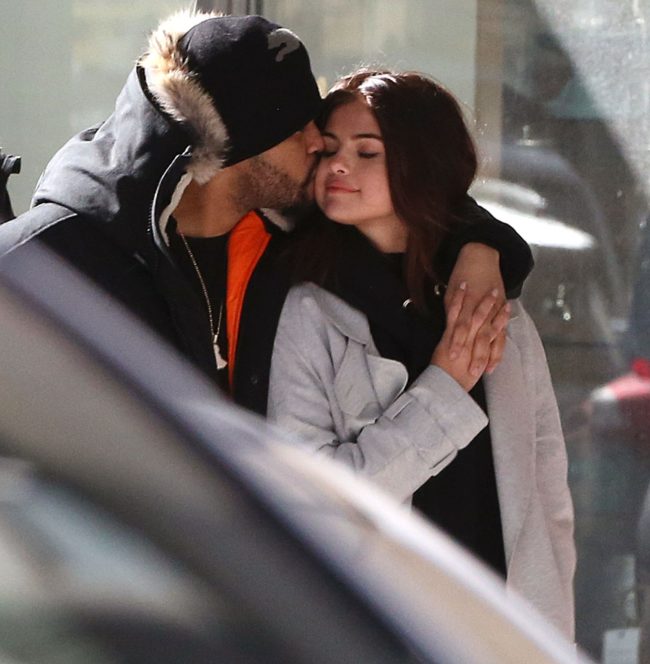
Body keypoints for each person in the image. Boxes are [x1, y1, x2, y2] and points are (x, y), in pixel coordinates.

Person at [0, 10, 532, 414]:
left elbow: (419, 198)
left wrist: (481, 246)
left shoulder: (286, 227)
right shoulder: (47, 258)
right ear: (238, 141)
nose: (319, 141)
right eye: (298, 126)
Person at [267, 70, 575, 639]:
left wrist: (552, 621)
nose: (338, 166)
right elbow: (316, 500)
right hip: (380, 625)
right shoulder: (306, 305)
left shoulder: (488, 299)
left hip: (497, 627)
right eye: (330, 149)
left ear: (422, 163)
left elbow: (545, 481)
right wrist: (446, 385)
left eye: (368, 152)